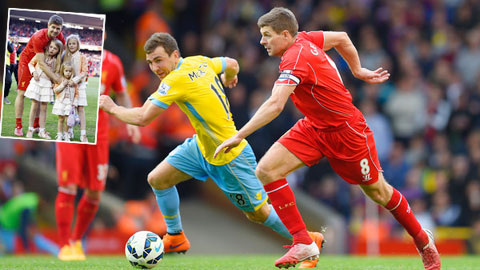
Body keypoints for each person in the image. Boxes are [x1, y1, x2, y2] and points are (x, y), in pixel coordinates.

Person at [215, 7, 441, 269]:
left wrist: (238, 136)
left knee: (379, 192)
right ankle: (303, 242)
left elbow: (276, 105)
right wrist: (357, 70)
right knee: (266, 170)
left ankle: (423, 241)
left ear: (285, 34)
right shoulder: (306, 39)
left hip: (347, 133)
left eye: (267, 35)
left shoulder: (295, 56)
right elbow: (342, 38)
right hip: (314, 128)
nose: (262, 41)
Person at [99, 32, 324, 269]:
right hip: (202, 147)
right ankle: (175, 237)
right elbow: (232, 63)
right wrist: (230, 77)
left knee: (258, 214)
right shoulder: (200, 61)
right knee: (158, 179)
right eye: (150, 63)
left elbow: (144, 117)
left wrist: (112, 108)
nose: (155, 68)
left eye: (159, 60)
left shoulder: (175, 80)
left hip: (230, 155)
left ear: (175, 55)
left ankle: (308, 241)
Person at [55, 49, 141, 261]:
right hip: (69, 128)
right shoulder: (65, 57)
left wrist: (131, 121)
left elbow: (121, 93)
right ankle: (64, 245)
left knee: (94, 193)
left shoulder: (113, 62)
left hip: (98, 134)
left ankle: (76, 242)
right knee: (68, 186)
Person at [14, 14, 65, 137]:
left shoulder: (60, 37)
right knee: (21, 93)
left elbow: (61, 57)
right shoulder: (38, 37)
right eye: (53, 27)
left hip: (44, 66)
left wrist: (61, 74)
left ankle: (36, 126)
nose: (55, 31)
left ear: (61, 29)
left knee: (40, 95)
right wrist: (55, 78)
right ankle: (18, 126)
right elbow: (41, 63)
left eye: (58, 28)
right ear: (48, 26)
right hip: (28, 62)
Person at [24, 39, 64, 139]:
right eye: (51, 47)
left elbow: (56, 74)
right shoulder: (40, 55)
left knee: (44, 108)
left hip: (47, 84)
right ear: (47, 47)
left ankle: (42, 130)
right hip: (37, 82)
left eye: (55, 48)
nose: (52, 50)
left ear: (58, 51)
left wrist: (53, 83)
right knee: (34, 106)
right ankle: (30, 129)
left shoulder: (56, 61)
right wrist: (34, 72)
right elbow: (30, 64)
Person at [63, 34, 89, 142]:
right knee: (69, 110)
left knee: (81, 109)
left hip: (80, 85)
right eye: (70, 44)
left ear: (77, 44)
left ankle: (83, 134)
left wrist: (76, 80)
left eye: (74, 43)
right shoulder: (65, 57)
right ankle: (69, 130)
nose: (72, 45)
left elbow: (85, 72)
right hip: (68, 87)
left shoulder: (82, 57)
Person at [52, 62, 78, 141]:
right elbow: (55, 91)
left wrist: (75, 102)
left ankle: (66, 135)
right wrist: (62, 85)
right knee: (61, 119)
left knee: (67, 119)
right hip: (61, 101)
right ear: (63, 71)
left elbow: (76, 93)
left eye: (70, 71)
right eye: (66, 71)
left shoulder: (73, 82)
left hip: (69, 102)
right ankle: (59, 135)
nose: (68, 73)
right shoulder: (59, 80)